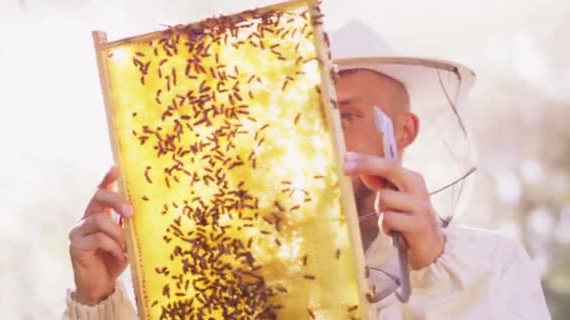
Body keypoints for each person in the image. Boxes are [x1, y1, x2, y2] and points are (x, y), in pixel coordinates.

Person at [63, 21, 550, 319]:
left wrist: (433, 271)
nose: (324, 140)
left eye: (347, 115)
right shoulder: (246, 284)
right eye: (307, 118)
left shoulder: (492, 264)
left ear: (404, 132)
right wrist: (99, 299)